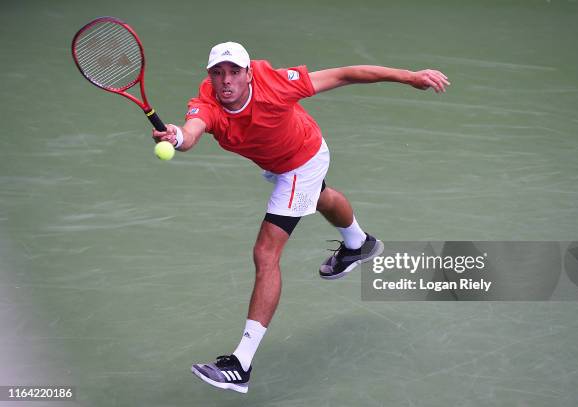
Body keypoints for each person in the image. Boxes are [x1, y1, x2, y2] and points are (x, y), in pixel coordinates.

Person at [152, 41, 450, 393]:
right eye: (218, 73)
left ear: (249, 74)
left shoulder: (276, 84)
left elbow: (344, 75)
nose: (226, 80)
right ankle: (359, 243)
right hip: (280, 161)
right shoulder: (208, 102)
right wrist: (177, 135)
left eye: (234, 72)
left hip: (301, 162)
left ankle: (241, 363)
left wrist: (409, 77)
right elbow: (191, 132)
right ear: (210, 77)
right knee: (321, 198)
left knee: (266, 253)